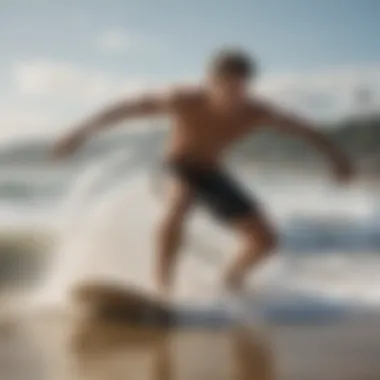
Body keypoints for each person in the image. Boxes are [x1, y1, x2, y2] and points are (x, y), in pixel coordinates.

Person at [53, 48, 354, 297]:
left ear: (247, 86)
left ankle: (231, 281)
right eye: (224, 86)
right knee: (180, 202)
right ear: (210, 81)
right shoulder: (183, 100)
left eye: (238, 88)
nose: (231, 95)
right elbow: (125, 109)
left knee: (265, 241)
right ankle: (163, 289)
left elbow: (305, 129)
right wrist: (78, 134)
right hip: (175, 166)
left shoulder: (256, 112)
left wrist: (337, 158)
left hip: (211, 173)